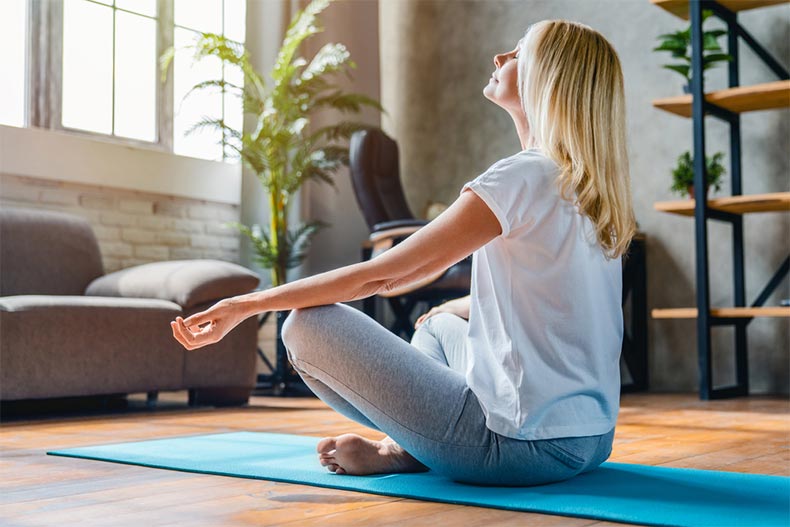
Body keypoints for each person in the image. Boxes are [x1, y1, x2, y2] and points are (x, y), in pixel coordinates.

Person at [171, 19, 636, 487]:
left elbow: (383, 277)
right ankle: (416, 447)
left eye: (517, 53)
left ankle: (402, 447)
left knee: (306, 324)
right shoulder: (593, 192)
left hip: (514, 448)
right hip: (590, 441)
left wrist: (244, 306)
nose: (500, 59)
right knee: (436, 325)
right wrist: (457, 305)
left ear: (546, 78)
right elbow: (558, 305)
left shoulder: (521, 177)